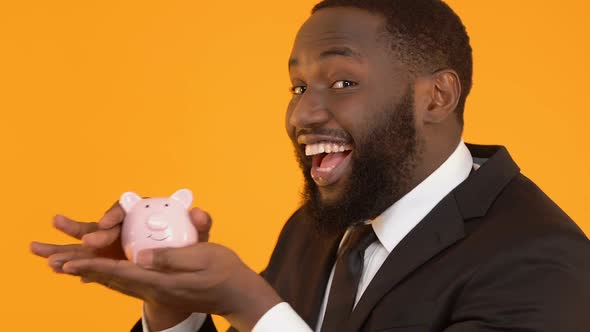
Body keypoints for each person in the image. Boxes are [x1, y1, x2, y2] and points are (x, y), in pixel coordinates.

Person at [31, 0, 590, 331]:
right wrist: (175, 306)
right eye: (298, 85)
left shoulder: (541, 262)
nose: (302, 112)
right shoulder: (316, 228)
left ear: (437, 98)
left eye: (342, 81)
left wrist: (252, 307)